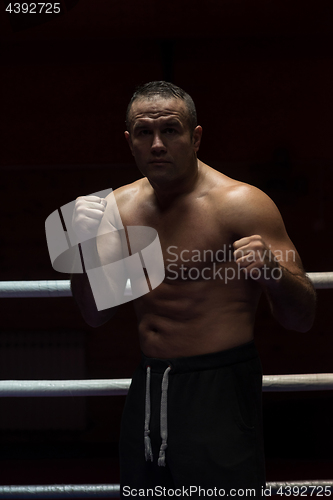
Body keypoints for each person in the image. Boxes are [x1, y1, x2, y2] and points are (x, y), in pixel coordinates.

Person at [70, 81, 316, 498]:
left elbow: (303, 318)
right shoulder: (119, 209)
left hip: (221, 385)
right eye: (145, 133)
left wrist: (273, 272)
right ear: (130, 142)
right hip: (149, 383)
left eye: (171, 130)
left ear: (195, 136)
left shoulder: (241, 203)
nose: (158, 144)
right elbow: (95, 313)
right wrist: (82, 249)